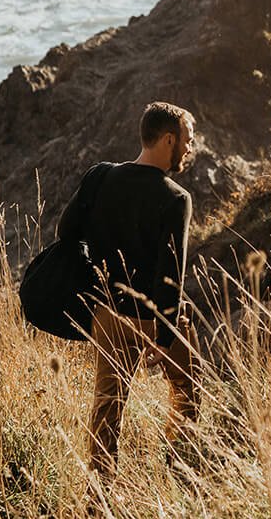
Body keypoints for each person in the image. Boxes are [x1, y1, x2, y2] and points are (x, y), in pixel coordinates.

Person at [58, 100, 197, 485]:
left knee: (107, 406)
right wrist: (165, 339)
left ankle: (101, 490)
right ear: (168, 139)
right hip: (152, 320)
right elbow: (171, 276)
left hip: (106, 314)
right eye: (187, 140)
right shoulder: (175, 198)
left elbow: (66, 234)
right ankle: (180, 472)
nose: (189, 148)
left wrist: (96, 281)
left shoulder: (101, 176)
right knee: (186, 389)